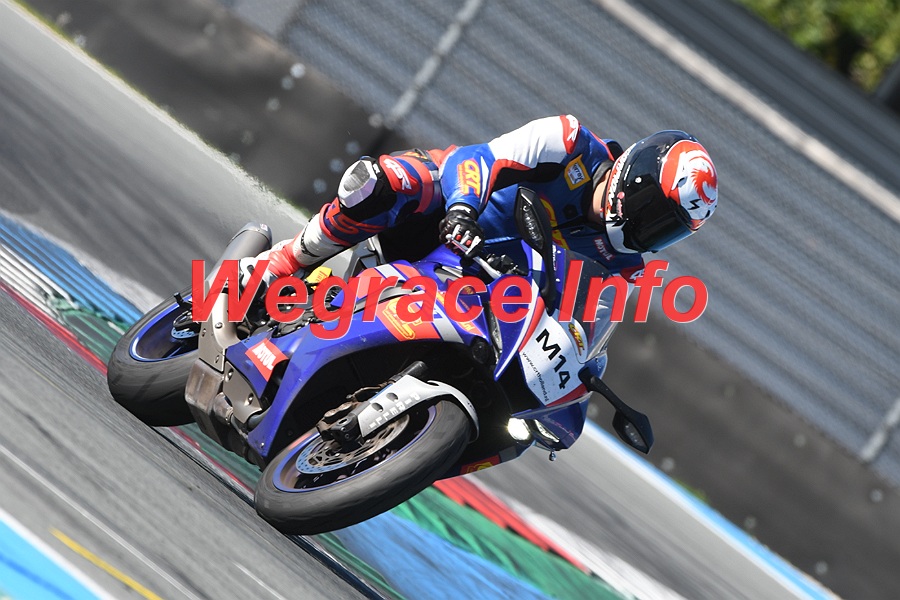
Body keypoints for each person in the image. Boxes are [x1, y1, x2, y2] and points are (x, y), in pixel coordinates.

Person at [242, 114, 718, 290]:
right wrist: (462, 211)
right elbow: (477, 159)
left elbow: (581, 330)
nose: (652, 230)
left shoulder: (623, 267)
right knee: (380, 183)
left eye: (669, 228)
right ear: (635, 179)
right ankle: (283, 262)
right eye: (657, 212)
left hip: (478, 292)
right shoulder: (568, 140)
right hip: (443, 216)